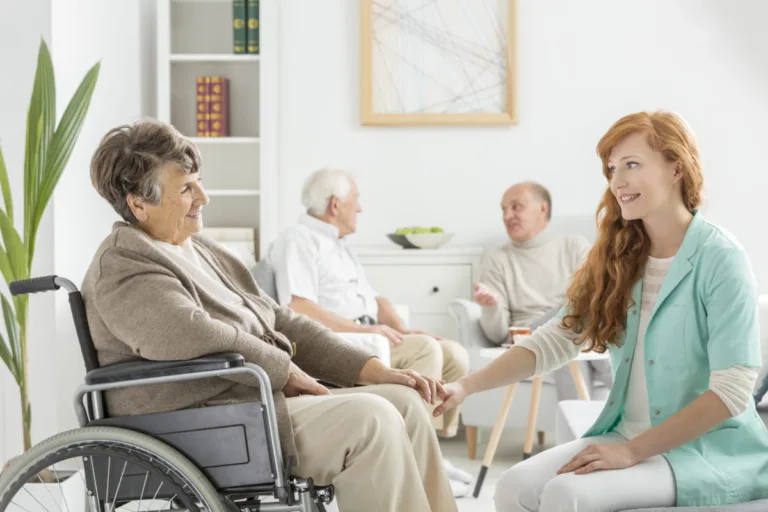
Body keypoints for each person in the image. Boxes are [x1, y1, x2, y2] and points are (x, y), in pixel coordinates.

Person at [82, 119, 458, 512]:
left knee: (406, 401)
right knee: (373, 418)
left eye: (199, 181)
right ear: (138, 203)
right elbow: (188, 334)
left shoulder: (203, 249)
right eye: (186, 188)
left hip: (252, 404)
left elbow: (278, 318)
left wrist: (373, 369)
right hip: (206, 421)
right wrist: (285, 370)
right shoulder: (124, 264)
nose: (204, 197)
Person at [434, 111, 768, 511]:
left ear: (676, 167)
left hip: (704, 449)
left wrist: (631, 453)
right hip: (624, 434)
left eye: (632, 164)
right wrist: (465, 387)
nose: (617, 181)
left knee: (565, 494)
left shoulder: (721, 258)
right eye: (611, 169)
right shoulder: (618, 255)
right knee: (513, 487)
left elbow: (731, 391)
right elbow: (560, 337)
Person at [266, 168, 472, 493]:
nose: (360, 209)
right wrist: (366, 329)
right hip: (343, 340)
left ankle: (428, 447)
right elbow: (298, 306)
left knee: (453, 354)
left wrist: (405, 329)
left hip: (369, 332)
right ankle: (418, 456)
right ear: (336, 205)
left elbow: (374, 299)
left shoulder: (340, 244)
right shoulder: (298, 240)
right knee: (426, 351)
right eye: (356, 201)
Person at [474, 181, 612, 399]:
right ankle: (645, 405)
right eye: (504, 209)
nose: (507, 215)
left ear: (543, 208)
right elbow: (497, 335)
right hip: (530, 334)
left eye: (516, 206)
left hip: (578, 327)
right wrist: (491, 308)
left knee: (572, 330)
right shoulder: (497, 259)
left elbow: (597, 298)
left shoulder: (574, 246)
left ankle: (584, 427)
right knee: (563, 330)